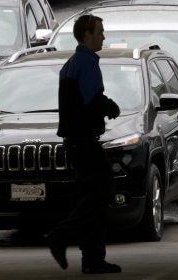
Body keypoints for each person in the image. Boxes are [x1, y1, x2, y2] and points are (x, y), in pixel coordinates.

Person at [45, 14, 121, 274]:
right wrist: (110, 106)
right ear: (86, 34)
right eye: (100, 31)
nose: (103, 36)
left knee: (92, 198)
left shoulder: (72, 63)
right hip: (84, 142)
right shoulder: (86, 63)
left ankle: (92, 259)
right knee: (102, 193)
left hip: (76, 143)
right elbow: (92, 99)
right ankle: (61, 236)